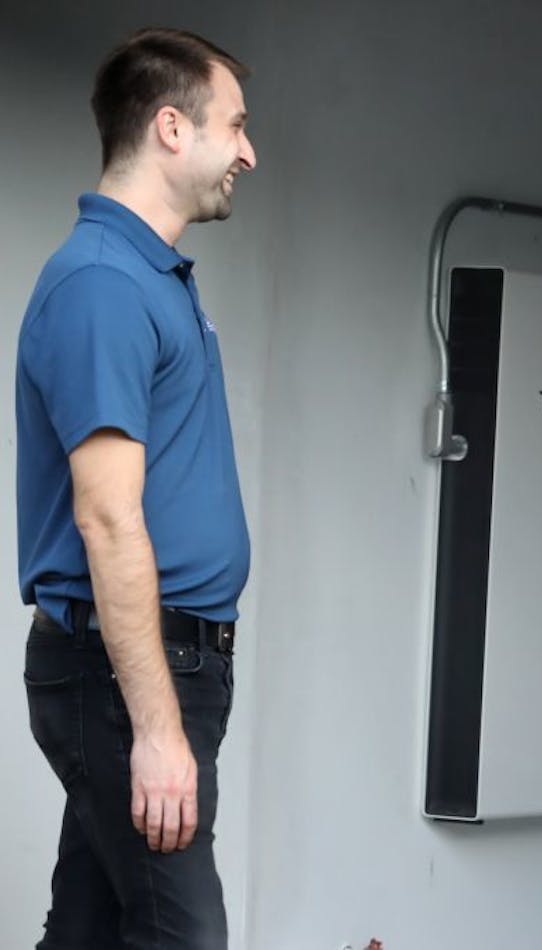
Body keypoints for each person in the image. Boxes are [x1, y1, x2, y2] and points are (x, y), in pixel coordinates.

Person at [14, 28, 256, 949]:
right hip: (127, 677)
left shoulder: (146, 277)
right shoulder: (105, 284)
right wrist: (158, 732)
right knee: (180, 937)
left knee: (89, 930)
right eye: (234, 126)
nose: (247, 151)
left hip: (148, 670)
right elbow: (108, 519)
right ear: (170, 128)